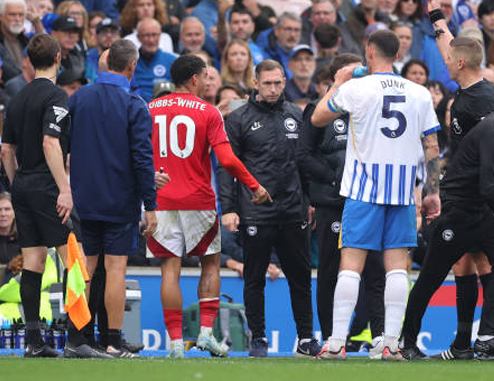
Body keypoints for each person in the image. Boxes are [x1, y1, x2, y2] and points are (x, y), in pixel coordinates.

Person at [312, 29, 442, 361]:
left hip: (363, 189)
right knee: (398, 267)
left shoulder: (357, 88)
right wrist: (431, 191)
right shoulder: (420, 93)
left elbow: (317, 117)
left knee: (350, 265)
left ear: (369, 52)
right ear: (398, 55)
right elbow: (432, 146)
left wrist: (339, 82)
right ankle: (390, 344)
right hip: (401, 190)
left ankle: (338, 342)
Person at [401, 81, 494, 361]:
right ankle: (407, 343)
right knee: (431, 277)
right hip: (459, 212)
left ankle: (487, 337)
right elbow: (489, 187)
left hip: (480, 210)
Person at [147, 54, 271, 358]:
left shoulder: (148, 109)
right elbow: (227, 160)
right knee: (211, 264)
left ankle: (175, 344)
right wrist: (254, 185)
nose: (208, 82)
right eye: (205, 77)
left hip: (160, 201)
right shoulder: (208, 112)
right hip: (198, 200)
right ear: (193, 79)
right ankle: (205, 335)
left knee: (169, 272)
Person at [0, 33, 106, 358]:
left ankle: (34, 343)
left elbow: (6, 149)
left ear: (29, 61)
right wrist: (64, 188)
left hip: (23, 184)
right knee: (76, 260)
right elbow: (51, 142)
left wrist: (19, 182)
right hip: (48, 185)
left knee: (33, 261)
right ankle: (77, 339)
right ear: (59, 58)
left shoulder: (16, 97)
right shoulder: (56, 96)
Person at [219, 59, 321, 358]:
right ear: (255, 84)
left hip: (293, 209)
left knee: (300, 277)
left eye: (278, 83)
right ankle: (258, 338)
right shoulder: (238, 119)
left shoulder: (296, 115)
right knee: (254, 277)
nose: (274, 89)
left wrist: (309, 199)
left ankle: (305, 338)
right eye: (268, 84)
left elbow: (304, 161)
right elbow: (228, 168)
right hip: (255, 211)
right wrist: (229, 208)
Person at [69, 39, 158, 358]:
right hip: (119, 199)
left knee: (86, 269)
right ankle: (113, 340)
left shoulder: (79, 98)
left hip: (83, 198)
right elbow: (143, 159)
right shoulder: (135, 104)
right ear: (132, 66)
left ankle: (77, 337)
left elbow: (64, 145)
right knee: (115, 269)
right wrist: (151, 205)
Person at [297, 52, 386, 358]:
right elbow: (304, 155)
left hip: (370, 200)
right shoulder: (318, 111)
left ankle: (379, 338)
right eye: (354, 75)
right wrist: (336, 179)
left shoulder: (374, 107)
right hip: (333, 204)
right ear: (338, 78)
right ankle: (330, 337)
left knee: (375, 270)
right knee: (331, 272)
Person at [131, 18, 178, 102]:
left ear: (160, 36)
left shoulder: (173, 62)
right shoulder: (129, 62)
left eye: (154, 35)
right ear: (138, 37)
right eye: (147, 35)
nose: (151, 40)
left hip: (164, 109)